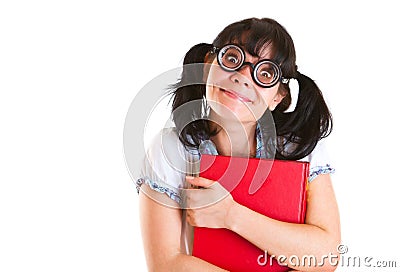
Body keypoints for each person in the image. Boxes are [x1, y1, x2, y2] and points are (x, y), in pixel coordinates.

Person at [136, 17, 341, 271]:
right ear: (207, 66)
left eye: (265, 73)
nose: (243, 76)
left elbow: (326, 257)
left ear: (278, 97)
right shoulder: (172, 149)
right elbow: (166, 264)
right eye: (232, 59)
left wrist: (230, 215)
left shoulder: (300, 150)